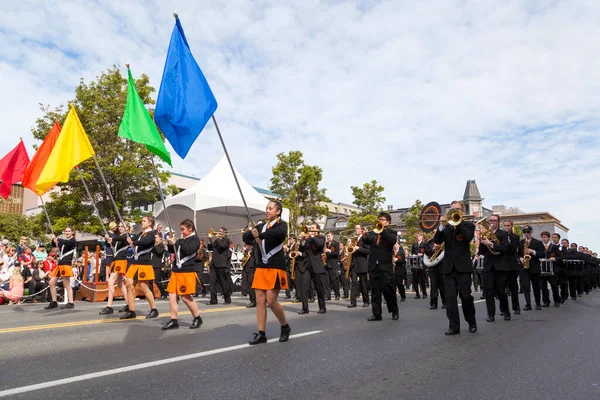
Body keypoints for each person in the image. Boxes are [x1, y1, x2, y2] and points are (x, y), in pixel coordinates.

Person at [243, 200, 291, 345]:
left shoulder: (281, 224)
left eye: (270, 208)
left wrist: (260, 235)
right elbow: (246, 238)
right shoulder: (261, 226)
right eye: (266, 208)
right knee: (259, 300)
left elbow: (279, 234)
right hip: (261, 267)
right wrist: (251, 233)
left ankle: (285, 326)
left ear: (278, 212)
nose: (267, 210)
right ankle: (261, 333)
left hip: (275, 267)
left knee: (271, 301)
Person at [433, 200, 477, 335]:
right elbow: (437, 241)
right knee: (450, 298)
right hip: (448, 267)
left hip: (463, 267)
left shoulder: (468, 225)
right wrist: (441, 224)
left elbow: (468, 237)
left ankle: (471, 322)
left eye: (457, 209)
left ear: (462, 212)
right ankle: (454, 326)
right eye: (452, 209)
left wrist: (458, 223)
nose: (454, 211)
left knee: (466, 297)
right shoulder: (446, 227)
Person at [162, 219, 203, 330]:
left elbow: (189, 250)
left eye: (183, 229)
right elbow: (173, 251)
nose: (181, 232)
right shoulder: (182, 239)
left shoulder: (195, 239)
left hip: (187, 271)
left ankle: (197, 317)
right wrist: (171, 244)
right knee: (172, 295)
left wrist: (177, 241)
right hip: (177, 271)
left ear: (190, 228)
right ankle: (173, 320)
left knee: (185, 297)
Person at [120, 216, 159, 320]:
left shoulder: (151, 235)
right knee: (129, 284)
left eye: (144, 221)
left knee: (143, 287)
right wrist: (126, 239)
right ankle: (131, 310)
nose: (142, 222)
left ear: (150, 223)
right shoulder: (141, 234)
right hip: (135, 263)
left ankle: (154, 309)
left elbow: (144, 242)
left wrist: (132, 242)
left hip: (144, 264)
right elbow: (130, 239)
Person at [361, 212, 399, 321]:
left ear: (388, 222)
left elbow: (391, 241)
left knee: (388, 290)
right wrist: (364, 235)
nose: (380, 221)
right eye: (379, 219)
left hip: (385, 266)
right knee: (375, 291)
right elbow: (368, 241)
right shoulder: (373, 232)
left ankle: (394, 310)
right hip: (373, 266)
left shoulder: (392, 232)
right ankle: (376, 314)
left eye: (382, 219)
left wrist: (382, 230)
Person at [478, 214, 510, 322]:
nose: (492, 222)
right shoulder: (485, 234)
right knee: (489, 292)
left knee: (501, 291)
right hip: (488, 266)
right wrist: (482, 242)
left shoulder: (503, 234)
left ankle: (505, 311)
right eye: (490, 220)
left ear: (498, 222)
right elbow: (481, 252)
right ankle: (490, 314)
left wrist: (491, 244)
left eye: (494, 220)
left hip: (500, 266)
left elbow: (505, 249)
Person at [100, 223, 130, 315]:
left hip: (121, 261)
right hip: (116, 261)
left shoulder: (126, 236)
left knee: (110, 281)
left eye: (122, 226)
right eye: (120, 226)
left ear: (127, 228)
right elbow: (111, 245)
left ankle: (109, 306)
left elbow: (120, 238)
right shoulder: (118, 237)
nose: (120, 228)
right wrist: (107, 239)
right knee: (120, 284)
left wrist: (111, 237)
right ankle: (129, 304)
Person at [297, 223, 327, 314]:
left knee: (319, 288)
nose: (310, 230)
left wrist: (312, 236)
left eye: (313, 228)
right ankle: (305, 308)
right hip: (307, 266)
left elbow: (319, 244)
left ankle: (322, 307)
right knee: (304, 287)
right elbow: (302, 250)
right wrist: (302, 241)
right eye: (310, 228)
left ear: (317, 229)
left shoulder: (321, 238)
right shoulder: (308, 239)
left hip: (317, 266)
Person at [45, 227, 77, 310]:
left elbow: (67, 243)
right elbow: (55, 245)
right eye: (66, 231)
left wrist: (58, 238)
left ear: (72, 232)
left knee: (66, 284)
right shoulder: (63, 241)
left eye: (69, 231)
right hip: (60, 264)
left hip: (66, 264)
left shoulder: (72, 240)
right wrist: (53, 240)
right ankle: (54, 302)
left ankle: (71, 302)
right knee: (51, 282)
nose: (67, 232)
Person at [518, 225, 544, 311]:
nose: (526, 234)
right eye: (525, 232)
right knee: (526, 286)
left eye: (528, 232)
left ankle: (538, 303)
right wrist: (520, 258)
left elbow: (542, 253)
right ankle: (528, 304)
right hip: (524, 268)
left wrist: (533, 251)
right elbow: (518, 254)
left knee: (536, 286)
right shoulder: (521, 242)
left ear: (531, 232)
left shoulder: (538, 242)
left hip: (534, 267)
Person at [206, 227, 232, 305]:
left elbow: (222, 247)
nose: (218, 232)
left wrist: (217, 239)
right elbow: (210, 248)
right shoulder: (217, 241)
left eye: (220, 231)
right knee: (212, 282)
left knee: (223, 283)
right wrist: (210, 240)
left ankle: (227, 299)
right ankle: (213, 300)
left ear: (224, 233)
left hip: (222, 264)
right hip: (214, 264)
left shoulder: (226, 240)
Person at [348, 225, 370, 308]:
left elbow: (367, 251)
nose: (356, 230)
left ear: (361, 230)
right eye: (355, 228)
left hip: (362, 264)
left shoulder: (365, 239)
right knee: (353, 283)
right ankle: (353, 302)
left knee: (363, 283)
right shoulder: (354, 239)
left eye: (357, 228)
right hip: (354, 264)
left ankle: (366, 301)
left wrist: (358, 248)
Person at [502, 219, 521, 314]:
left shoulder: (515, 237)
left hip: (512, 265)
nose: (506, 227)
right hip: (501, 265)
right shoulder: (500, 235)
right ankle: (504, 309)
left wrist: (508, 242)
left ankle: (516, 307)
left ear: (511, 226)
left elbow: (513, 249)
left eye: (508, 225)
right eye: (505, 225)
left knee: (513, 288)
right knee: (501, 289)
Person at [539, 231, 561, 307]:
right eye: (542, 237)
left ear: (548, 238)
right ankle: (546, 301)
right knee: (543, 286)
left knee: (554, 286)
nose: (543, 239)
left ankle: (557, 300)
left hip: (552, 269)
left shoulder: (554, 247)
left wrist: (554, 258)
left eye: (545, 237)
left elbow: (560, 257)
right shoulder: (540, 246)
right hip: (542, 269)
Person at [150, 233, 168, 300]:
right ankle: (151, 295)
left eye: (156, 237)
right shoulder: (155, 245)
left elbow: (159, 252)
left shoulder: (161, 245)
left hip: (157, 264)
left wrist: (154, 245)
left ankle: (164, 293)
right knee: (150, 281)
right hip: (152, 263)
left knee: (157, 281)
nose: (155, 239)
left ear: (160, 238)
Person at [410, 232, 428, 299]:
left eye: (419, 236)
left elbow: (427, 252)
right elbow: (412, 253)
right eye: (417, 236)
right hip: (415, 263)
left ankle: (424, 293)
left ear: (422, 237)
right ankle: (417, 294)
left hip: (422, 263)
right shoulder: (414, 245)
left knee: (422, 280)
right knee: (415, 280)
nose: (418, 237)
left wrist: (422, 254)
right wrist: (413, 255)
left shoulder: (424, 244)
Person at [324, 232, 340, 301]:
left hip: (333, 265)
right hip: (326, 265)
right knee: (327, 281)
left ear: (332, 236)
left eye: (329, 236)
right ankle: (328, 296)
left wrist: (330, 251)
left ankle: (337, 295)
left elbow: (337, 253)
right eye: (327, 236)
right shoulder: (326, 244)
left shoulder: (336, 243)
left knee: (334, 281)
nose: (328, 237)